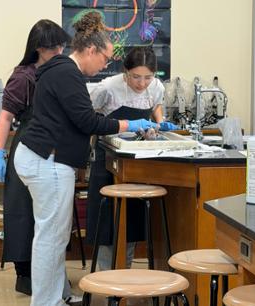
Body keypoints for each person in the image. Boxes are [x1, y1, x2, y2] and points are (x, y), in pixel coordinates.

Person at [12, 11, 158, 306]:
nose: (105, 65)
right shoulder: (68, 73)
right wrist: (131, 125)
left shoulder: (61, 70)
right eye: (105, 58)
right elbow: (88, 122)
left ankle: (56, 296)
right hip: (48, 162)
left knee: (53, 235)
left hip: (43, 159)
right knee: (51, 238)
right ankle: (45, 302)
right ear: (91, 50)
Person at [0, 19, 81, 303]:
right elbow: (6, 116)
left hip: (48, 149)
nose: (60, 51)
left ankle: (56, 291)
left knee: (50, 228)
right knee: (29, 223)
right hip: (31, 148)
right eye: (54, 47)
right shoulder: (24, 76)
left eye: (61, 46)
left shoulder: (54, 70)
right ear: (39, 48)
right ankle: (34, 284)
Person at [86, 46, 176, 270]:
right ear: (125, 71)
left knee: (132, 219)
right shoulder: (107, 88)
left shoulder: (155, 87)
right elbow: (88, 118)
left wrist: (159, 122)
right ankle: (106, 277)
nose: (142, 83)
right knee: (108, 221)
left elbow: (155, 106)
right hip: (107, 159)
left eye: (148, 77)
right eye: (136, 77)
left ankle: (125, 273)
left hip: (136, 161)